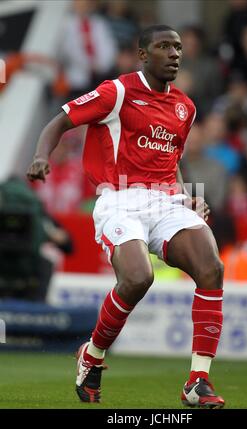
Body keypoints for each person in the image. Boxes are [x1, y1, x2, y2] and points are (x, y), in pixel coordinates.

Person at [27, 25, 225, 409]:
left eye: (179, 47)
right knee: (137, 277)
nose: (174, 54)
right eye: (163, 46)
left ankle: (197, 381)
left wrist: (185, 198)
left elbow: (173, 162)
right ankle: (94, 355)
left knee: (211, 267)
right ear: (143, 55)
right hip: (118, 198)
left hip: (166, 201)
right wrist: (40, 156)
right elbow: (61, 121)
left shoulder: (186, 106)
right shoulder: (116, 91)